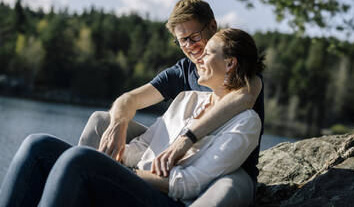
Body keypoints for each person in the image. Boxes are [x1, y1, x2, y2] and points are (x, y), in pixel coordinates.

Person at [0, 28, 264, 207]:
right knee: (38, 146)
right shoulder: (187, 100)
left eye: (208, 53)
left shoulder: (245, 122)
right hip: (137, 178)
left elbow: (189, 185)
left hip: (165, 198)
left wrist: (125, 172)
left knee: (80, 159)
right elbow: (143, 146)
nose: (199, 58)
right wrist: (118, 153)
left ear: (230, 63)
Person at [79, 0, 265, 206]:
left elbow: (245, 97)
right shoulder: (183, 72)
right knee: (100, 122)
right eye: (182, 40)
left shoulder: (246, 78)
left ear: (212, 25)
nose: (190, 46)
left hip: (227, 167)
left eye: (194, 36)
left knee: (228, 188)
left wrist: (187, 139)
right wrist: (118, 124)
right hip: (174, 157)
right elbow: (129, 99)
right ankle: (86, 190)